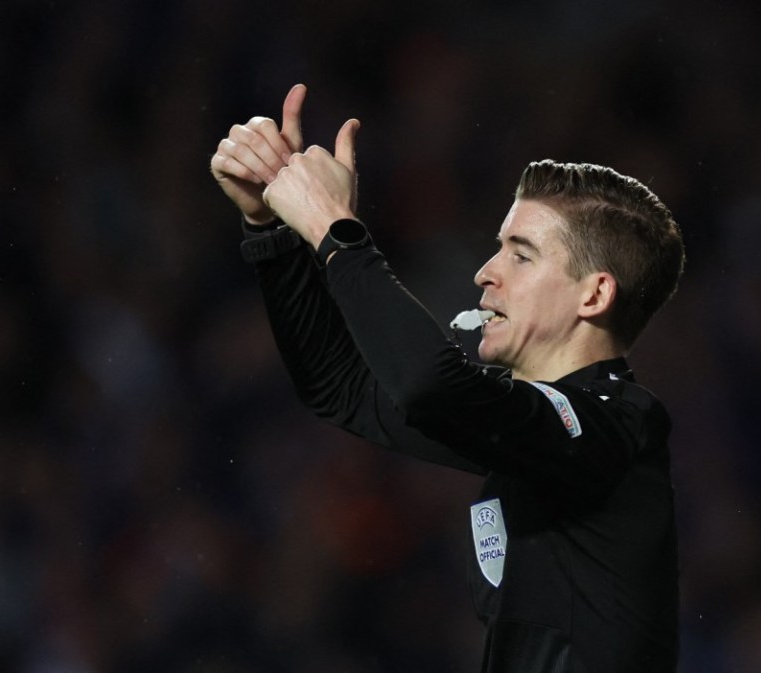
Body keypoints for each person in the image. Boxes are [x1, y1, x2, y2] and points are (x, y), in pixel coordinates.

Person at [211, 83, 685, 673]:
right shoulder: (532, 436)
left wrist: (336, 230)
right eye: (497, 248)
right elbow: (342, 388)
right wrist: (271, 228)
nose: (486, 272)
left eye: (521, 253)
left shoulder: (618, 426)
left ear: (594, 294)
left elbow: (428, 384)